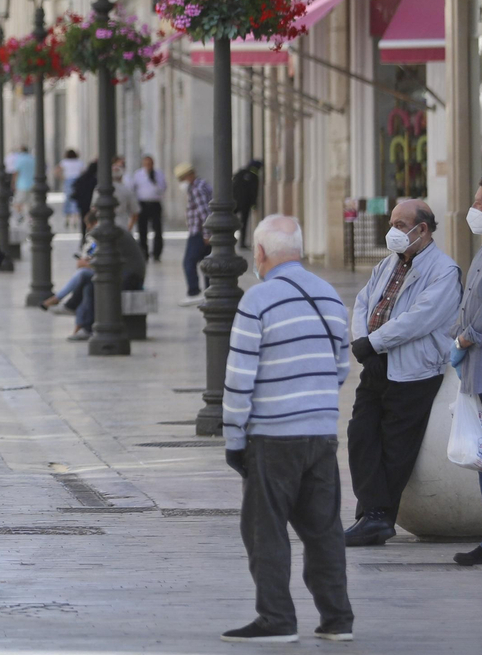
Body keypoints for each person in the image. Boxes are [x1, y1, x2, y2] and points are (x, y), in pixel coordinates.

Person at [220, 215, 352, 643]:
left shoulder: (257, 300)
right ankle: (337, 619)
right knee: (324, 530)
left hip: (273, 436)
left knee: (266, 529)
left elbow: (239, 378)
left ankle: (276, 618)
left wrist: (234, 438)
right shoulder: (330, 296)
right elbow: (340, 367)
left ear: (259, 253)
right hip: (321, 434)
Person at [344, 199, 460, 547]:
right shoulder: (388, 264)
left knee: (397, 445)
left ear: (422, 229)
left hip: (414, 369)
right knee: (360, 433)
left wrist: (374, 342)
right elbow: (363, 302)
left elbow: (419, 319)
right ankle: (372, 513)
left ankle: (377, 518)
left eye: (400, 225)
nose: (392, 231)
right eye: (392, 223)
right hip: (377, 364)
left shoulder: (444, 271)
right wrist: (362, 340)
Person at [449, 174, 482, 566]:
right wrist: (457, 335)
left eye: (481, 202)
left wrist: (466, 338)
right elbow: (469, 300)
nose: (474, 209)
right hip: (479, 371)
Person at [60, 211, 147, 342]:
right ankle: (83, 325)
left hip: (130, 278)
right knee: (89, 284)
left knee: (86, 276)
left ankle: (70, 306)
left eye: (89, 226)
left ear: (96, 223)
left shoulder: (109, 233)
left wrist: (86, 263)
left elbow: (104, 263)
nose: (88, 229)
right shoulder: (113, 231)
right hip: (125, 275)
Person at [176, 163, 212, 302]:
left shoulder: (196, 189)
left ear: (189, 176)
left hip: (199, 232)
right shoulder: (202, 185)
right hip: (202, 232)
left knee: (189, 262)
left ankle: (194, 292)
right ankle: (210, 291)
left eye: (182, 179)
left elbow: (204, 212)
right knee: (206, 262)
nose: (181, 182)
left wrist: (207, 234)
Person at [130, 156, 165, 261]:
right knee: (142, 229)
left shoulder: (158, 174)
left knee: (157, 229)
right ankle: (143, 252)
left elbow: (163, 188)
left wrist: (154, 180)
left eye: (150, 164)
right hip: (142, 204)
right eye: (146, 164)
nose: (148, 166)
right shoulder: (138, 174)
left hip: (155, 203)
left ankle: (156, 253)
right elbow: (133, 189)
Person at [233, 159, 264, 250]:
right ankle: (242, 243)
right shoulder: (254, 176)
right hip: (245, 203)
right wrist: (254, 205)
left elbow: (233, 184)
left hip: (234, 202)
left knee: (229, 219)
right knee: (243, 223)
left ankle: (229, 238)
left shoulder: (241, 172)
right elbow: (254, 192)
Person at [111, 158, 140, 234]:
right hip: (121, 225)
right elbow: (135, 212)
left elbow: (135, 212)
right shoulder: (126, 190)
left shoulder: (127, 188)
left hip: (120, 223)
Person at [72, 160, 99, 238]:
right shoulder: (95, 180)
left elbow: (75, 186)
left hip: (82, 203)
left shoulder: (82, 177)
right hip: (90, 203)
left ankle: (84, 235)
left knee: (84, 220)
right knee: (92, 220)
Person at [59, 149, 83, 230]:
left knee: (68, 199)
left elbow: (57, 170)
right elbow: (83, 171)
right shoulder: (79, 162)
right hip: (77, 181)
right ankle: (75, 220)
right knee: (76, 200)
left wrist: (62, 177)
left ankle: (67, 219)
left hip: (68, 181)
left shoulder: (64, 162)